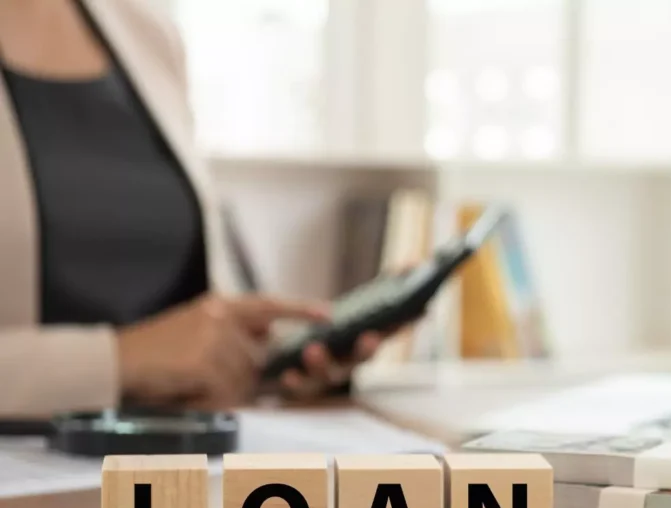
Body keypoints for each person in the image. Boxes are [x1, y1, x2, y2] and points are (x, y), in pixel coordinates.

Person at [0, 0, 386, 417]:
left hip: (168, 461)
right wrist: (117, 360)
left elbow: (186, 317)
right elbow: (150, 354)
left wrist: (276, 360)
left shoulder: (147, 32)